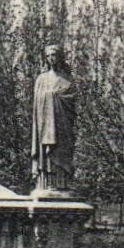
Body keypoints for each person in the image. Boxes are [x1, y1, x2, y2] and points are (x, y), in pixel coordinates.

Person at [31, 44, 77, 193]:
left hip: (62, 122)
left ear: (60, 57)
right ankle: (46, 182)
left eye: (54, 55)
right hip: (45, 124)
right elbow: (37, 102)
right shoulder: (41, 79)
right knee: (46, 154)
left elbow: (72, 98)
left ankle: (62, 182)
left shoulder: (67, 78)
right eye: (49, 56)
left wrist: (56, 96)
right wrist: (50, 96)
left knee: (61, 151)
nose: (52, 58)